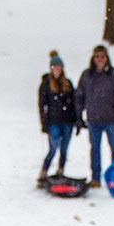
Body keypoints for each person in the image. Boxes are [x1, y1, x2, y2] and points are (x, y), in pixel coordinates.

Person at [74, 45, 114, 183]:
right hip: (93, 120)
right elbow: (79, 96)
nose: (100, 59)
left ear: (107, 58)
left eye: (102, 56)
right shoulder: (87, 75)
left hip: (112, 120)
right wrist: (79, 116)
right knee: (95, 151)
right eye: (97, 56)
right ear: (93, 58)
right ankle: (96, 178)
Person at [37, 52, 78, 180]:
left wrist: (77, 120)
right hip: (53, 122)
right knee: (53, 149)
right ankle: (44, 171)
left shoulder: (68, 83)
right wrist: (44, 123)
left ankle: (60, 170)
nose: (57, 69)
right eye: (54, 67)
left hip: (67, 121)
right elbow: (42, 105)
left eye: (59, 66)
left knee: (64, 149)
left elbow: (75, 102)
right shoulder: (46, 84)